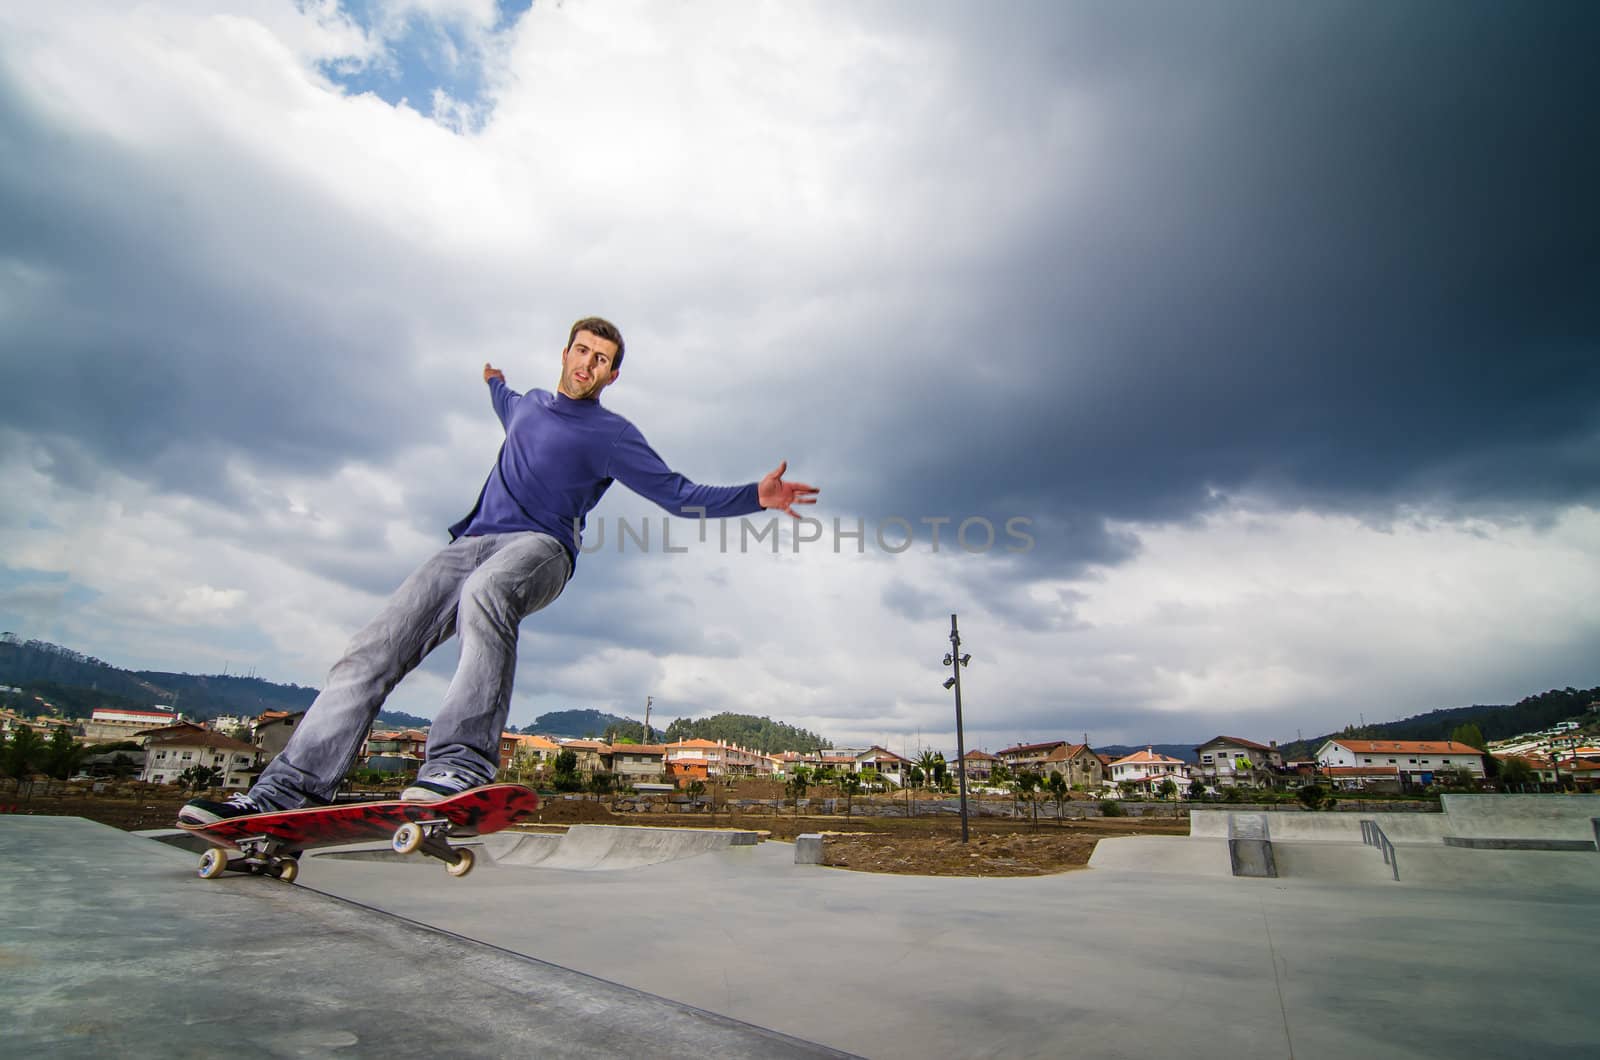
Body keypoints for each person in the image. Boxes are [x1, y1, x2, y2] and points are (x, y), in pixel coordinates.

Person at [179, 316, 817, 823]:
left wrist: (752, 498)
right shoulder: (526, 405)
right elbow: (502, 399)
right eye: (581, 350)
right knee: (369, 651)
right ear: (564, 353)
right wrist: (492, 379)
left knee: (487, 594)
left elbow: (677, 493)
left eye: (601, 360)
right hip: (468, 543)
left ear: (612, 376)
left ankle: (459, 762)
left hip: (539, 550)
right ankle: (284, 790)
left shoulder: (613, 434)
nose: (586, 365)